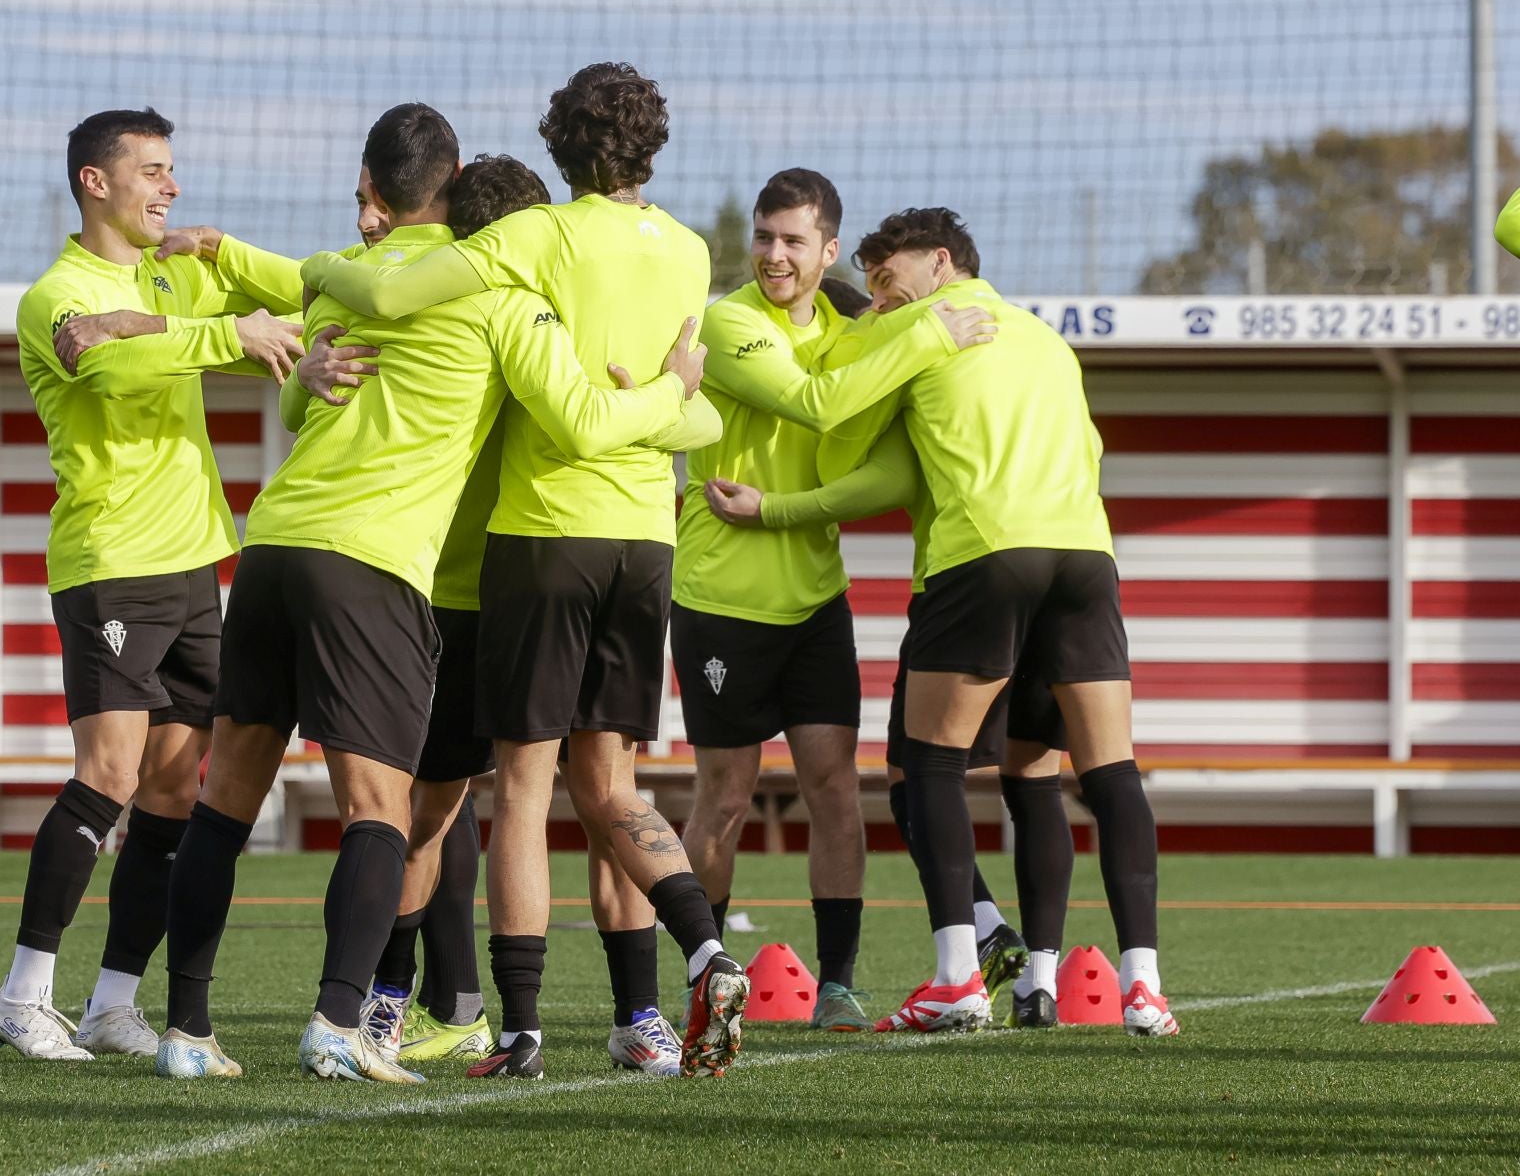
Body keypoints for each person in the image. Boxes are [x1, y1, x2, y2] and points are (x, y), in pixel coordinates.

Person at [154, 103, 717, 1083]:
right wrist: (673, 389)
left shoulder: (341, 282)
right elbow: (582, 416)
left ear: (377, 193)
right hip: (376, 567)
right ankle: (348, 1018)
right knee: (388, 810)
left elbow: (295, 389)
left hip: (273, 543)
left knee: (226, 799)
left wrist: (267, 290)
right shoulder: (501, 299)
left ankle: (187, 1028)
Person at [301, 64, 763, 1078]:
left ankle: (515, 1026)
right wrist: (659, 402)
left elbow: (388, 284)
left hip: (544, 533)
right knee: (614, 783)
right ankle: (705, 951)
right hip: (648, 536)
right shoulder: (689, 251)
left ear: (558, 147)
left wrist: (313, 272)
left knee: (519, 789)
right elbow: (701, 406)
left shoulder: (537, 235)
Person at [0, 107, 304, 1060]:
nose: (170, 188)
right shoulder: (57, 293)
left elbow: (300, 294)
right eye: (153, 172)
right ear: (96, 181)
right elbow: (111, 361)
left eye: (174, 172)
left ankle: (111, 1003)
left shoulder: (172, 271)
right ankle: (21, 993)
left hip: (194, 563)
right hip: (111, 564)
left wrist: (225, 252)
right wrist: (222, 336)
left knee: (172, 791)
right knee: (111, 775)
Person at [818, 207, 1177, 1037]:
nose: (880, 293)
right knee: (1098, 773)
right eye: (869, 280)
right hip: (1085, 554)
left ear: (942, 262)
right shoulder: (1047, 340)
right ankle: (1139, 989)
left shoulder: (919, 331)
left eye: (888, 273)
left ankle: (956, 979)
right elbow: (1089, 453)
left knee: (929, 765)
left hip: (984, 550)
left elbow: (834, 421)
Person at [672, 168, 996, 1033]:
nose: (774, 255)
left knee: (835, 791)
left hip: (816, 600)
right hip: (721, 599)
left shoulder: (855, 330)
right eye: (764, 236)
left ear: (827, 250)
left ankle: (840, 983)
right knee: (727, 796)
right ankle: (707, 977)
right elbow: (818, 406)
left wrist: (889, 324)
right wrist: (927, 333)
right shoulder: (731, 321)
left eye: (793, 241)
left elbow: (886, 468)